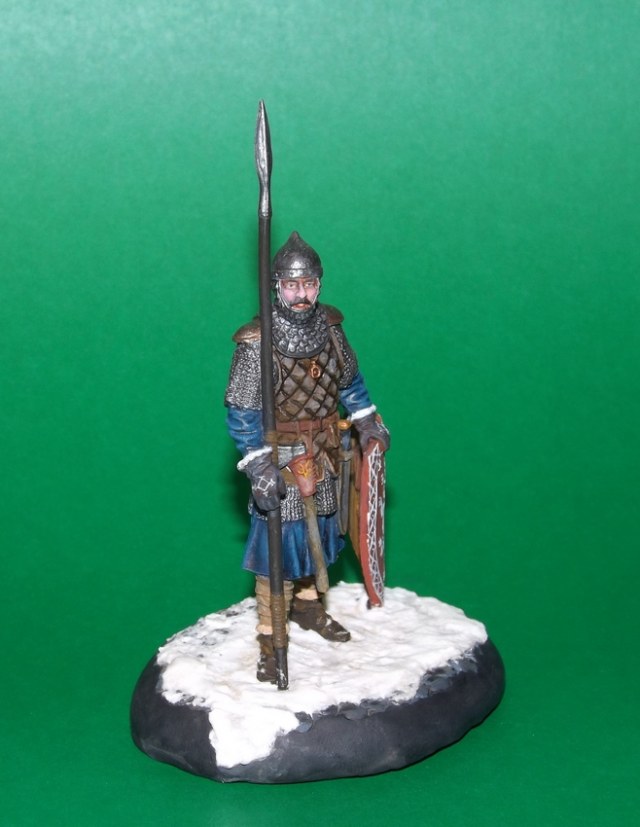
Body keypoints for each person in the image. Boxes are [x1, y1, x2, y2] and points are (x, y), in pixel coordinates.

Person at [225, 231, 389, 682]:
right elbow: (242, 411)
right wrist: (258, 465)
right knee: (277, 551)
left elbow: (349, 382)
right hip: (280, 459)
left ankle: (308, 607)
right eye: (293, 285)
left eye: (310, 284)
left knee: (322, 540)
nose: (302, 294)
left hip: (326, 452)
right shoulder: (256, 342)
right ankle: (269, 635)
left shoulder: (331, 328)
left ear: (319, 284)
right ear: (277, 285)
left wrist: (366, 419)